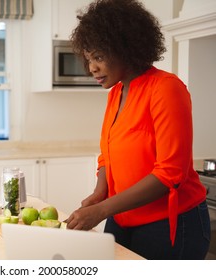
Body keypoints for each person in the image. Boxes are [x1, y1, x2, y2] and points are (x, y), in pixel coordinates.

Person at [65, 0, 210, 260]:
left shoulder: (165, 89)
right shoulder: (117, 92)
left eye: (98, 57)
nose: (91, 68)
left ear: (125, 47)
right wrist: (101, 192)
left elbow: (170, 174)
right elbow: (107, 156)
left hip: (169, 223)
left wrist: (101, 210)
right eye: (88, 59)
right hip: (121, 219)